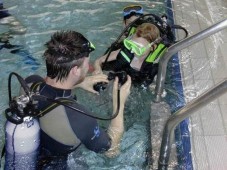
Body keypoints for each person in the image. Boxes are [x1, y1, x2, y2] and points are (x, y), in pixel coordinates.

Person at [24, 30, 131, 169]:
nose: (88, 66)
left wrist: (79, 82)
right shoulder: (78, 117)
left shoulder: (30, 83)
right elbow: (111, 151)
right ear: (75, 70)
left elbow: (49, 90)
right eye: (87, 63)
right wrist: (119, 103)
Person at [93, 23, 165, 88]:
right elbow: (98, 61)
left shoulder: (152, 66)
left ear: (152, 47)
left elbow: (155, 84)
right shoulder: (123, 51)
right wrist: (97, 68)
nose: (132, 50)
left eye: (138, 48)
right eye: (131, 45)